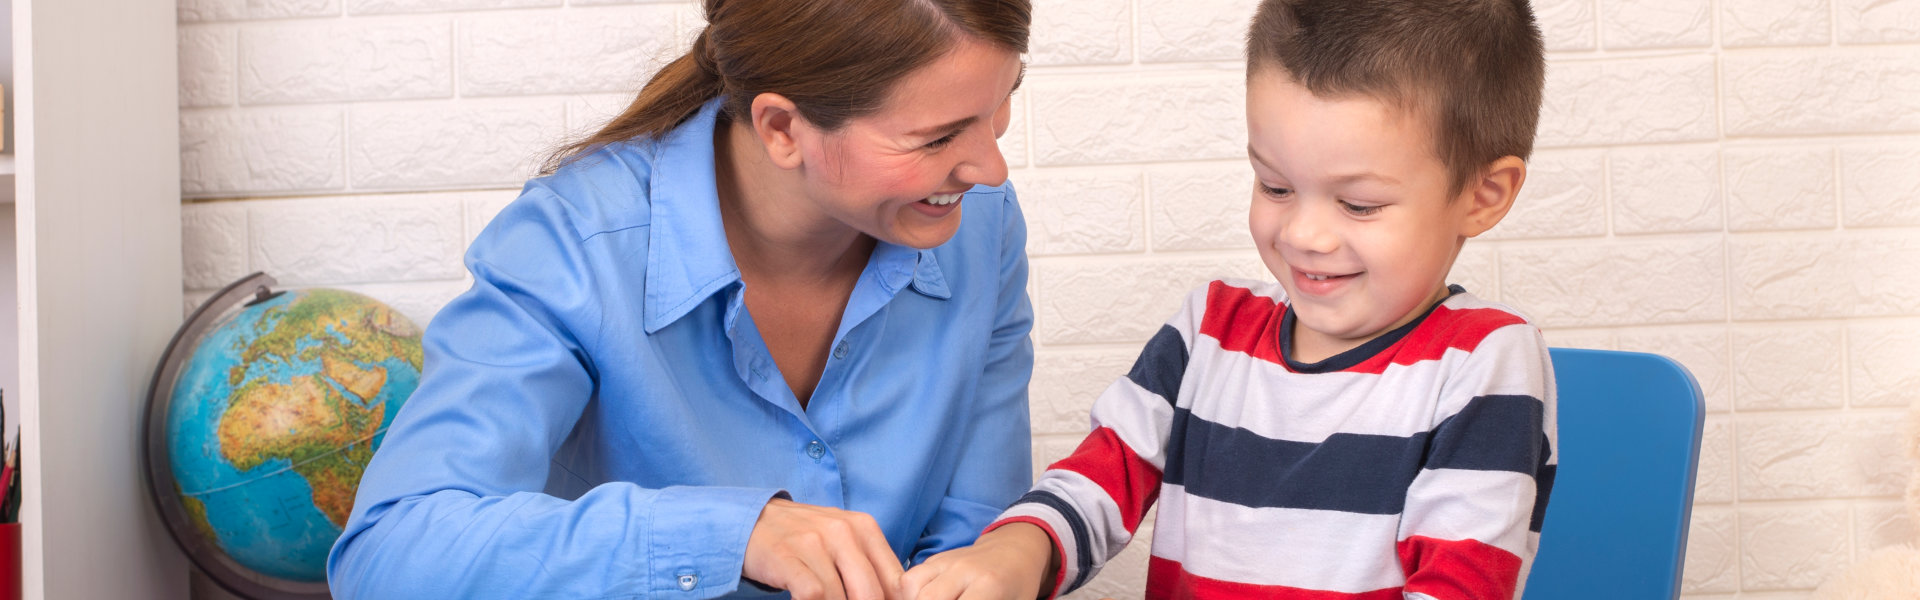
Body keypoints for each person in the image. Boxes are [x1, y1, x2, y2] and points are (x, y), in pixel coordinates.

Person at [327, 1, 1035, 598]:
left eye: (999, 111)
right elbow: (390, 550)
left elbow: (975, 528)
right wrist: (732, 534)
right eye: (938, 136)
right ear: (782, 129)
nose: (989, 168)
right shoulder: (576, 242)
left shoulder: (980, 226)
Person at [897, 1, 1556, 599]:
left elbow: (1459, 586)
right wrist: (1017, 551)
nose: (1303, 233)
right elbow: (1102, 478)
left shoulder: (1484, 361)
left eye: (1359, 204)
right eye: (1275, 186)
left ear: (1483, 195)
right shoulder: (1209, 330)